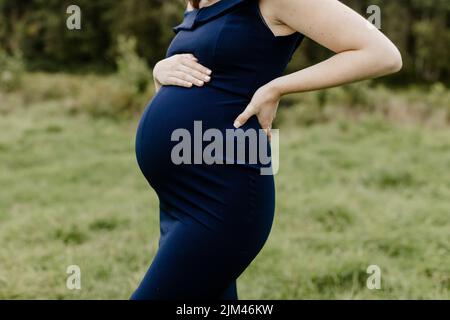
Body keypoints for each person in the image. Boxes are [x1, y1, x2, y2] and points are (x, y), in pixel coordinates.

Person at [131, 0, 402, 300]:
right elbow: (206, 81)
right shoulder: (198, 2)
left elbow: (382, 54)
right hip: (179, 200)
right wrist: (160, 72)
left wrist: (277, 87)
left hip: (221, 198)